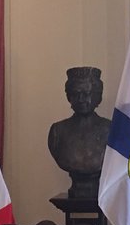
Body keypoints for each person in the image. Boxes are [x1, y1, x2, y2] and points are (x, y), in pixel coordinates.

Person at [47, 66, 112, 199]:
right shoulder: (57, 131)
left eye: (87, 93)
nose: (81, 99)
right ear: (69, 97)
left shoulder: (110, 129)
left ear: (98, 97)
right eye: (76, 94)